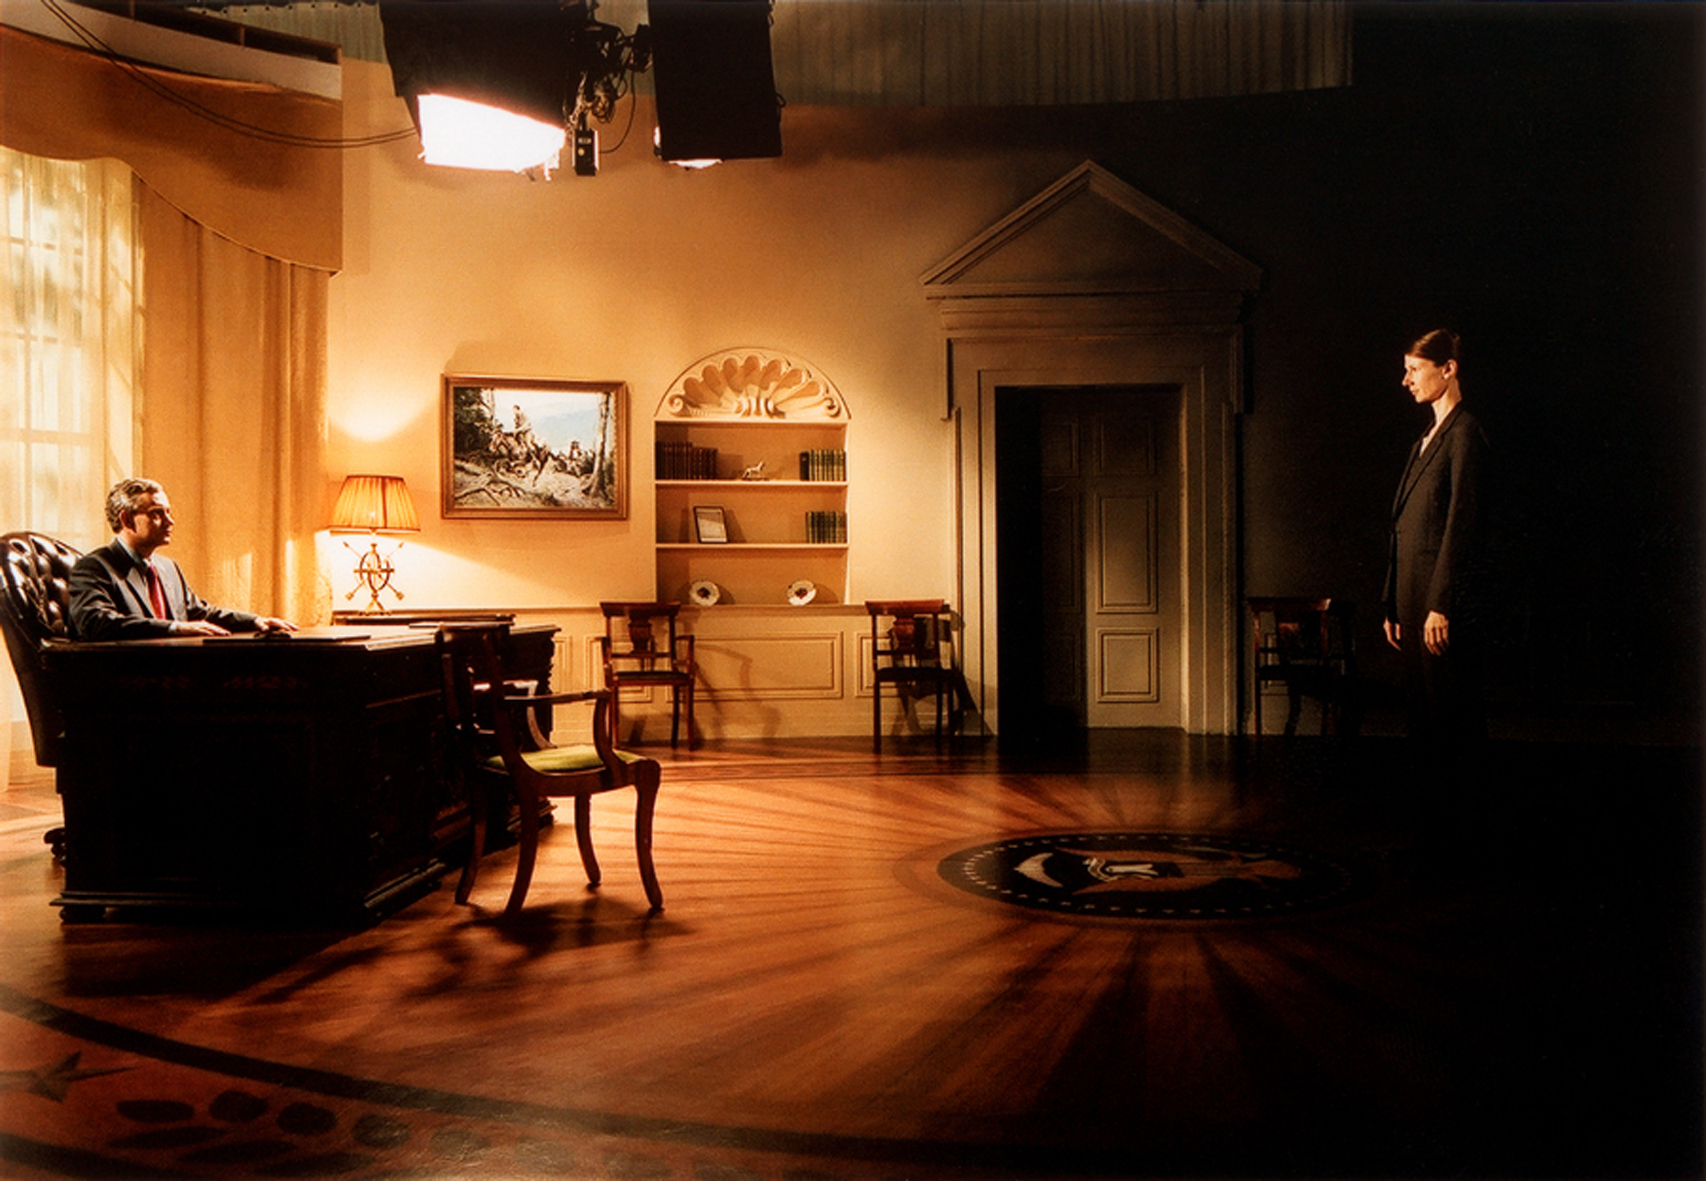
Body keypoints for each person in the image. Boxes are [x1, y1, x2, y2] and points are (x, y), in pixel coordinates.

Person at [1381, 328, 1490, 776]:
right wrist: (1391, 603)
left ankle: (1459, 818)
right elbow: (1402, 527)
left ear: (1448, 369)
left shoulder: (1465, 434)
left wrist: (1440, 603)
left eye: (1414, 370)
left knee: (1450, 720)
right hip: (1412, 602)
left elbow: (1462, 524)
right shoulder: (1424, 441)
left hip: (1436, 607)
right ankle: (1430, 817)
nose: (1405, 380)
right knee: (1422, 721)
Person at [69, 478, 297, 641]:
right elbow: (96, 622)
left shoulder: (168, 568)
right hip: (127, 679)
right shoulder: (94, 568)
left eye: (168, 512)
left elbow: (199, 613)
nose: (170, 522)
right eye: (157, 513)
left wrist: (255, 621)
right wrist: (175, 628)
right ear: (127, 520)